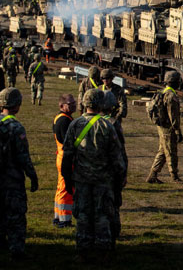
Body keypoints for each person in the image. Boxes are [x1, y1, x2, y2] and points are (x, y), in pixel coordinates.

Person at [61, 89, 127, 262]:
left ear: (84, 103)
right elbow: (117, 159)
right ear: (101, 104)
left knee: (82, 215)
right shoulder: (107, 127)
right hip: (103, 180)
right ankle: (103, 251)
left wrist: (68, 180)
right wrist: (120, 180)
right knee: (103, 215)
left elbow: (67, 156)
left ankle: (82, 251)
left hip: (81, 179)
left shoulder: (75, 125)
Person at [0, 88, 39, 263]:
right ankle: (17, 252)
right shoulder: (16, 127)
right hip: (11, 179)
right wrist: (32, 176)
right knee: (16, 216)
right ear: (16, 105)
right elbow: (23, 156)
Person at [146, 70, 183, 184]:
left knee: (163, 151)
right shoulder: (171, 96)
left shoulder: (163, 92)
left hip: (161, 126)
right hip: (169, 128)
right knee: (171, 152)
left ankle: (152, 175)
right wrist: (178, 131)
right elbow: (173, 116)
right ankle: (174, 176)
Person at [101, 90, 127, 248]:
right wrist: (123, 173)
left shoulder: (83, 123)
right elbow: (120, 152)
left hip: (90, 172)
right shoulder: (113, 124)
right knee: (113, 204)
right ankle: (112, 234)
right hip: (111, 172)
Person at [53, 94, 77, 228]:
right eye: (70, 103)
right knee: (66, 189)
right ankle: (64, 219)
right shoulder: (64, 121)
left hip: (61, 156)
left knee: (60, 187)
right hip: (65, 158)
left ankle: (58, 216)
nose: (73, 105)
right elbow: (67, 142)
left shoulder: (60, 118)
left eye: (74, 103)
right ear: (62, 106)